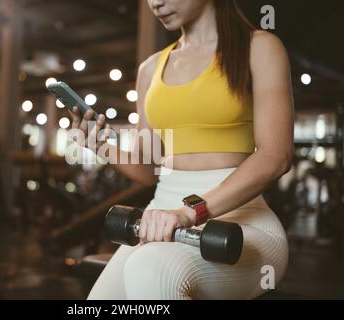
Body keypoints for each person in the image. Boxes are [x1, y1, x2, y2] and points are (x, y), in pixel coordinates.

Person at [69, 0, 294, 299]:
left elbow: (276, 157)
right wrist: (99, 146)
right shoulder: (150, 68)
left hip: (241, 228)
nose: (156, 3)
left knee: (151, 268)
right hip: (160, 222)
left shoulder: (259, 47)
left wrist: (190, 212)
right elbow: (148, 169)